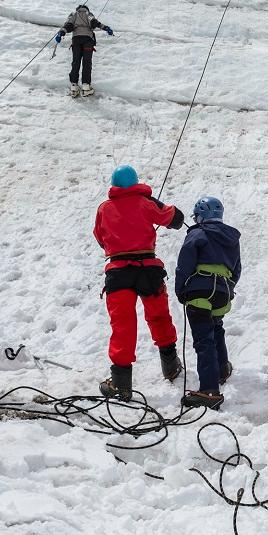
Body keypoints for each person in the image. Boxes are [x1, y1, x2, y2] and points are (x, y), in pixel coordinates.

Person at [93, 165, 185, 398]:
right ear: (135, 182)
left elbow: (100, 237)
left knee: (122, 325)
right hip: (148, 270)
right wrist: (153, 203)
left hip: (118, 271)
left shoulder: (104, 208)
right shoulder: (146, 203)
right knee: (159, 317)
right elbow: (175, 218)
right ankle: (171, 366)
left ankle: (121, 384)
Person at [175, 196, 242, 410]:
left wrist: (181, 290)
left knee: (204, 339)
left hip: (200, 289)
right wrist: (228, 288)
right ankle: (222, 368)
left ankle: (209, 390)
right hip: (222, 290)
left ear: (201, 215)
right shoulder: (232, 238)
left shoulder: (197, 233)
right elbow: (237, 268)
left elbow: (184, 264)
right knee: (216, 327)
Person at [55, 4, 114, 97]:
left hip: (76, 40)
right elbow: (95, 22)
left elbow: (68, 25)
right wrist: (106, 28)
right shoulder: (88, 13)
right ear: (86, 8)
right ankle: (86, 87)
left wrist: (61, 33)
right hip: (88, 41)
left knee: (76, 62)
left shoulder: (73, 14)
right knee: (87, 62)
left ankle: (74, 87)